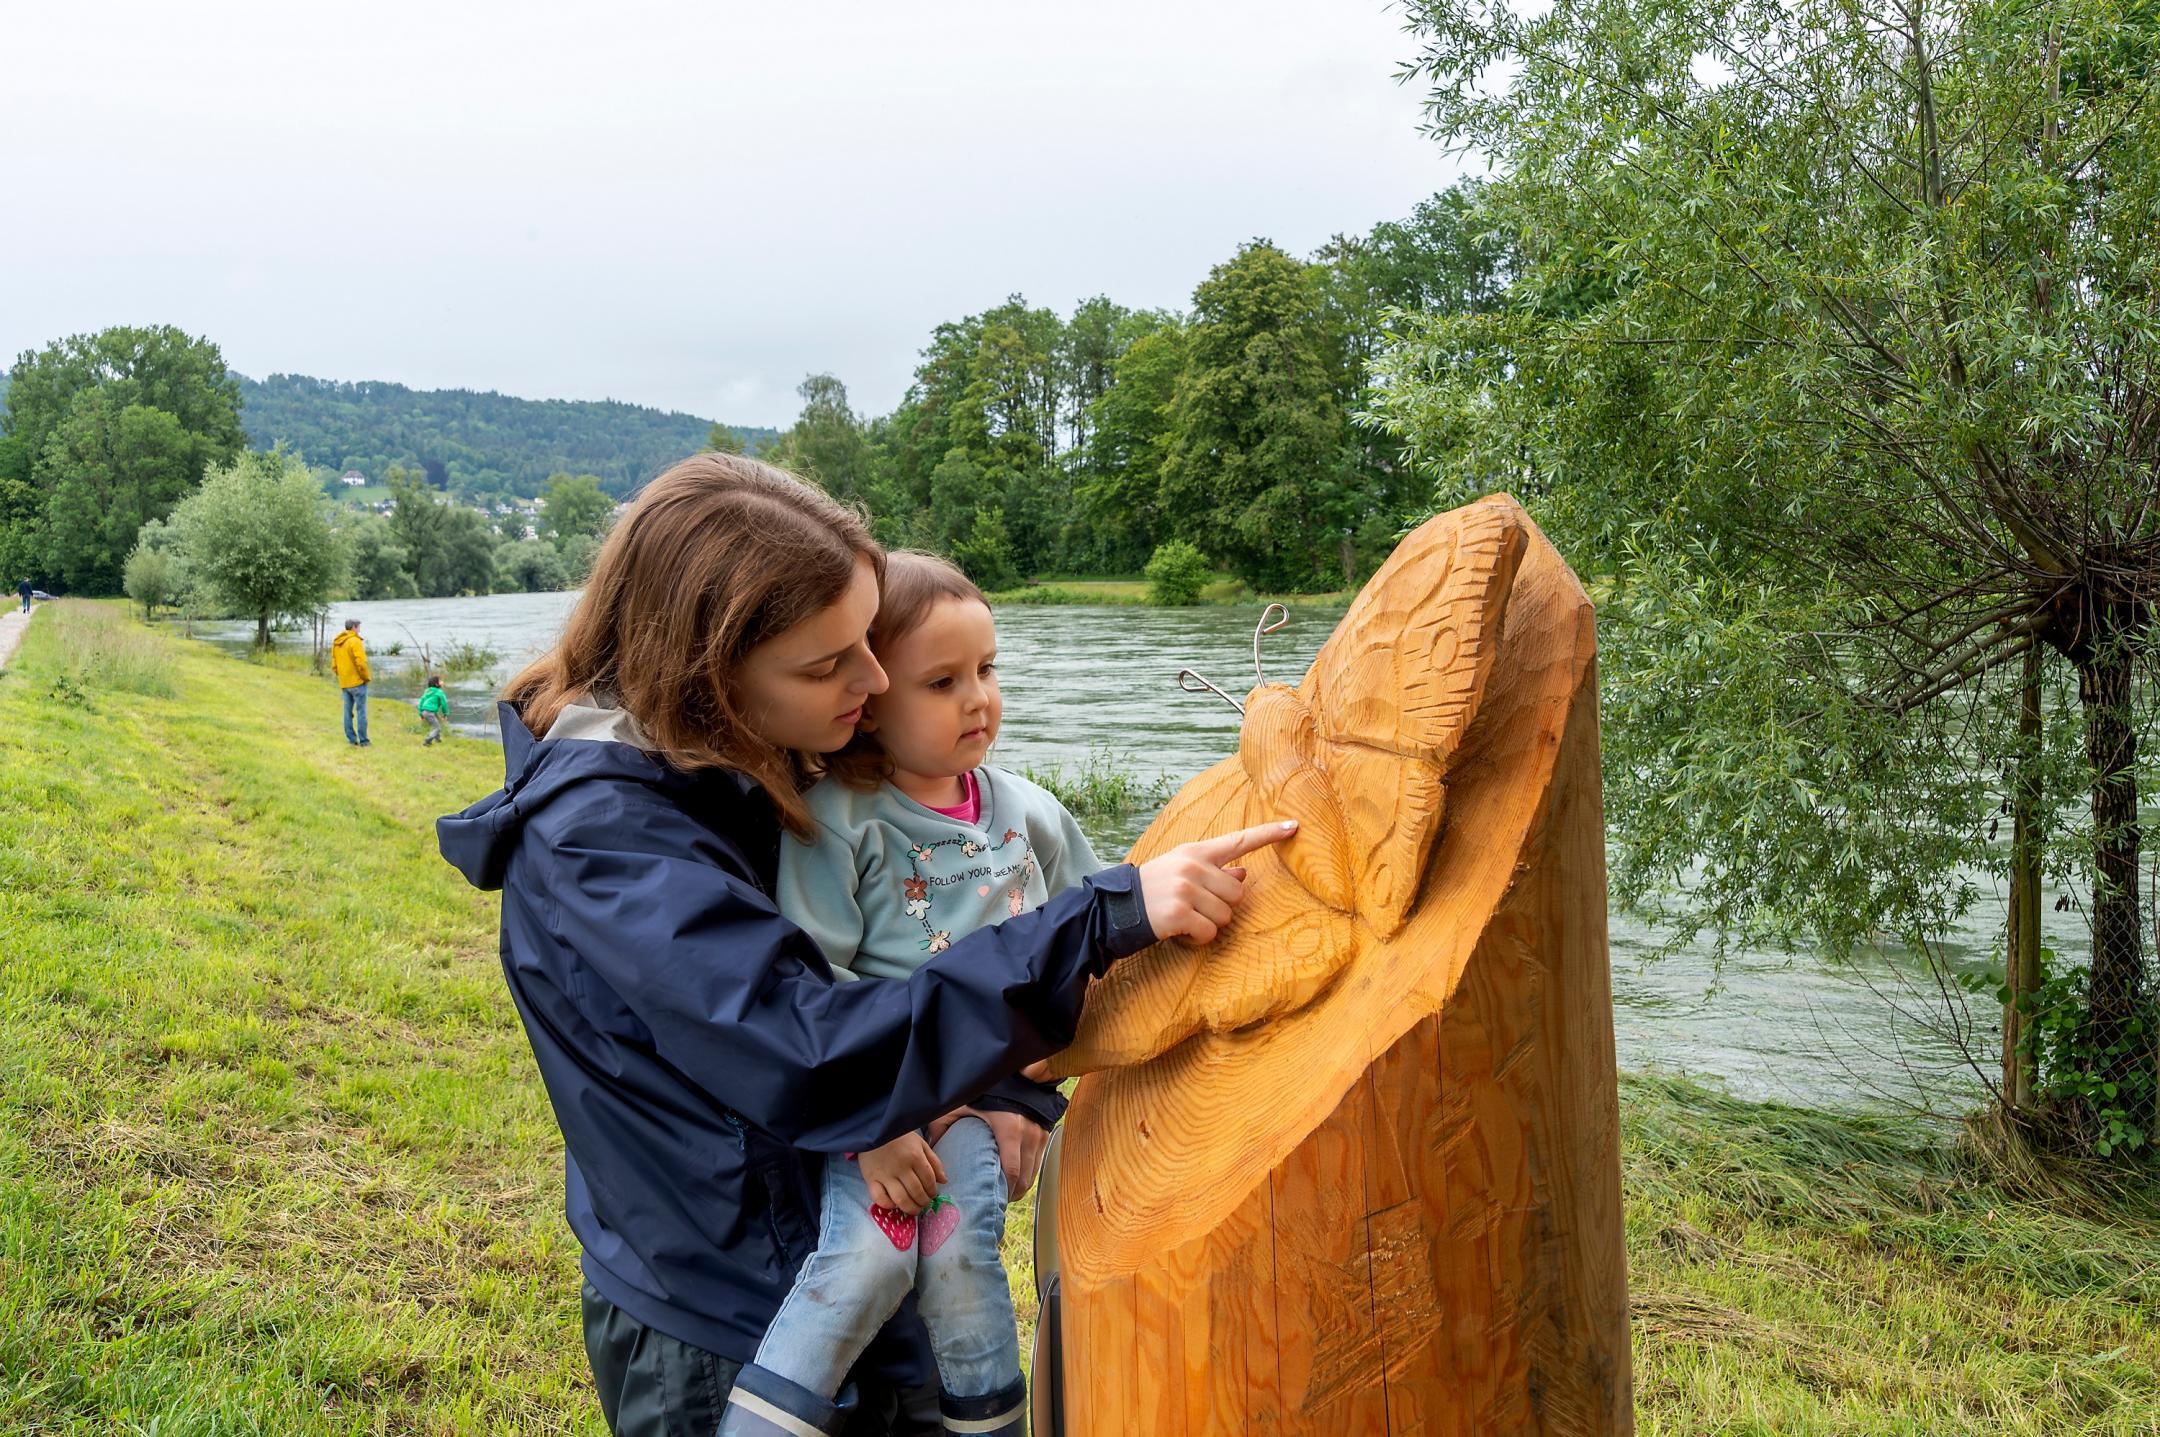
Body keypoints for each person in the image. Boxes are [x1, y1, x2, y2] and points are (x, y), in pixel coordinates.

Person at [436, 453, 1292, 1437]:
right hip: (740, 1327)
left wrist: (1007, 1085)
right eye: (827, 662)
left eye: (870, 641)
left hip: (859, 1256)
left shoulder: (713, 764)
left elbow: (897, 964)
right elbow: (814, 1051)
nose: (875, 679)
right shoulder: (609, 844)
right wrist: (1097, 918)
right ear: (711, 671)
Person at [723, 553, 1089, 1437]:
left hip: (984, 1097)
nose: (977, 700)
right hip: (882, 1091)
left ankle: (990, 1423)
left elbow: (1090, 931)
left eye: (987, 670)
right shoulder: (839, 821)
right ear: (871, 702)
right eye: (942, 681)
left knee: (963, 1257)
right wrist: (874, 1122)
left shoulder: (1029, 811)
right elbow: (811, 984)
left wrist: (1047, 1075)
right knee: (867, 1262)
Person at [331, 619, 371, 746]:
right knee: (361, 712)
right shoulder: (355, 641)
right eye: (358, 627)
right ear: (353, 627)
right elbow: (361, 663)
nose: (359, 630)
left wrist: (342, 676)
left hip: (344, 683)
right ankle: (364, 740)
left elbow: (334, 665)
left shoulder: (337, 643)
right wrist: (365, 678)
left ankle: (351, 739)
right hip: (357, 683)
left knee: (347, 712)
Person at [417, 675, 449, 746]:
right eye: (440, 681)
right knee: (437, 728)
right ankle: (428, 740)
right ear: (437, 684)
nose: (442, 682)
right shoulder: (439, 692)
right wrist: (446, 714)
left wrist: (421, 713)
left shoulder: (427, 691)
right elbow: (444, 704)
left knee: (438, 722)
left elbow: (421, 701)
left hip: (425, 711)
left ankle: (438, 739)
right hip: (430, 712)